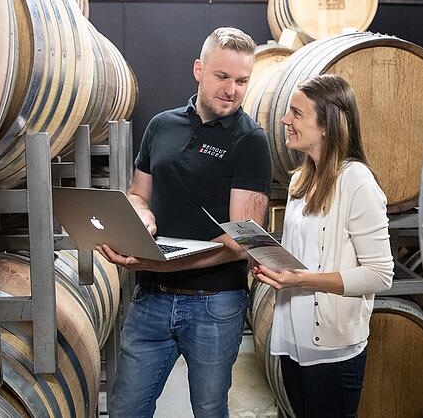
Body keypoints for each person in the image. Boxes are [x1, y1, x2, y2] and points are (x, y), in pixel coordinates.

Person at [97, 27, 272, 418]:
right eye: (222, 76)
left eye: (242, 81)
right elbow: (138, 193)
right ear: (199, 70)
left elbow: (243, 241)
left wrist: (161, 261)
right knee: (125, 409)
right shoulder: (162, 125)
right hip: (150, 299)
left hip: (214, 305)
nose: (232, 89)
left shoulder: (250, 141)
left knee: (209, 410)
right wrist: (140, 218)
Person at [253, 74, 394, 418]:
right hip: (291, 340)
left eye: (296, 113)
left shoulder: (357, 182)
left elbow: (380, 275)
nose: (285, 120)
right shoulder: (301, 178)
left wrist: (301, 280)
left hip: (332, 350)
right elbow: (297, 254)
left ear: (327, 125)